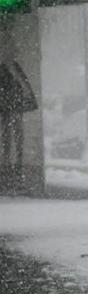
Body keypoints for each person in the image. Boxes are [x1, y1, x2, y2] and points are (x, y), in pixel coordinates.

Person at [0, 29, 37, 193]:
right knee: (8, 141)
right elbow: (24, 89)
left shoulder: (13, 67)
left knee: (15, 140)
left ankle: (14, 174)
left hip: (13, 109)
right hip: (8, 110)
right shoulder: (6, 69)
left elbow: (26, 88)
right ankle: (9, 175)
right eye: (11, 46)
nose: (15, 50)